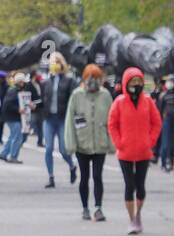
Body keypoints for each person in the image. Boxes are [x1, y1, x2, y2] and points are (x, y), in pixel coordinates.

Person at [107, 67, 162, 234]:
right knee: (129, 185)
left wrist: (150, 141)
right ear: (126, 83)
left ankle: (138, 215)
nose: (136, 85)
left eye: (139, 81)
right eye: (133, 82)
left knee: (141, 186)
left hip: (144, 151)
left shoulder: (148, 102)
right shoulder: (119, 102)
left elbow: (156, 123)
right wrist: (119, 142)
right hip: (125, 151)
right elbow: (112, 124)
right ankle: (131, 219)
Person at [65, 63, 114, 221]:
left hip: (100, 143)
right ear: (84, 78)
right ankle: (85, 207)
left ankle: (98, 207)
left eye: (96, 78)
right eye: (90, 77)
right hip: (82, 143)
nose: (93, 81)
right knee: (84, 177)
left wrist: (112, 143)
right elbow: (70, 122)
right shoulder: (77, 95)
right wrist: (71, 144)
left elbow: (112, 120)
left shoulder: (105, 95)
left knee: (98, 176)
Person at [41, 52, 78, 188]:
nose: (54, 65)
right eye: (52, 62)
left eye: (57, 62)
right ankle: (51, 177)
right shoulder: (46, 81)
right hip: (49, 119)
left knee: (63, 150)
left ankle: (72, 166)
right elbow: (43, 99)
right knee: (48, 148)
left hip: (63, 119)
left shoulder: (69, 81)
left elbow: (74, 99)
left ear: (62, 64)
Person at [1, 72, 33, 163]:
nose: (24, 84)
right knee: (17, 137)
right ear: (19, 82)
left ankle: (3, 154)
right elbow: (8, 105)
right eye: (23, 82)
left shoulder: (16, 90)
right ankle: (13, 157)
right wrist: (18, 109)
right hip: (12, 117)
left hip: (12, 117)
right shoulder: (13, 91)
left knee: (13, 136)